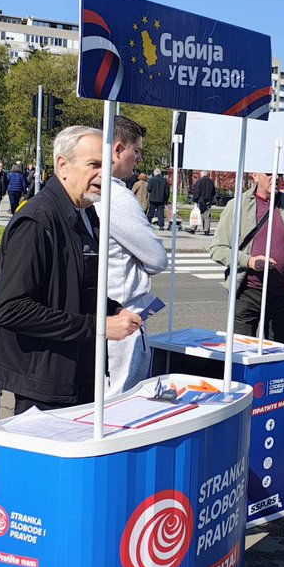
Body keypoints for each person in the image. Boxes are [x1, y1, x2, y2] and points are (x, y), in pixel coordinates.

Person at [0, 126, 142, 414]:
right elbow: (13, 309)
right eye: (94, 165)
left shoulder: (87, 211)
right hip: (45, 382)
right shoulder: (37, 221)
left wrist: (113, 309)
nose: (104, 174)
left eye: (106, 164)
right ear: (63, 165)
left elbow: (81, 285)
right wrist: (99, 327)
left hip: (76, 372)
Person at [208, 171, 284, 346]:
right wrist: (249, 261)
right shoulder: (237, 206)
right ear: (255, 176)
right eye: (269, 173)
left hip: (283, 294)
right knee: (240, 353)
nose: (276, 178)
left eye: (279, 174)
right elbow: (217, 249)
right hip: (248, 291)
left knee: (282, 355)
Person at [104, 117, 169, 394]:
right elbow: (156, 258)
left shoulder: (88, 192)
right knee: (121, 401)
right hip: (123, 315)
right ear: (118, 150)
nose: (139, 159)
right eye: (136, 151)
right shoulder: (116, 197)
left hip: (105, 312)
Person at [190, 171, 217, 235]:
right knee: (207, 216)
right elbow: (214, 192)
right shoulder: (211, 182)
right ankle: (206, 230)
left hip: (200, 201)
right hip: (208, 201)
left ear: (201, 175)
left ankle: (193, 229)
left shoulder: (199, 181)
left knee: (197, 215)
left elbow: (197, 191)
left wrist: (195, 200)